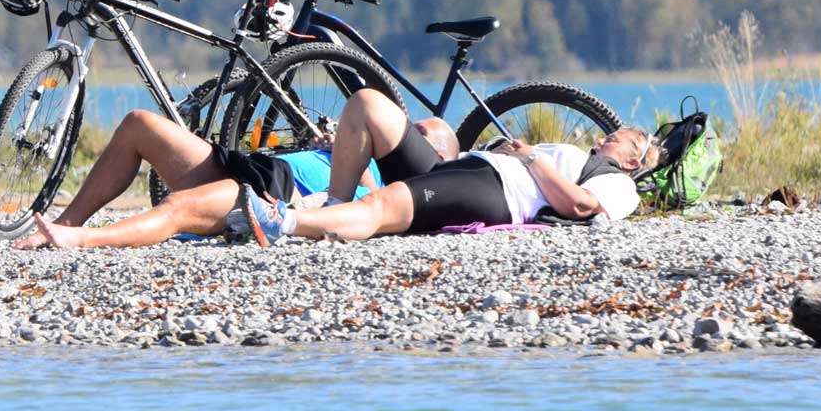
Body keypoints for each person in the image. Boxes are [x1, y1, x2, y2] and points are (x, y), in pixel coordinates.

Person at [227, 88, 652, 243]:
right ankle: (333, 206)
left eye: (618, 139)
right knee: (368, 104)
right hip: (470, 168)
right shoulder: (582, 157)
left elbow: (579, 207)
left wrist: (530, 157)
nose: (603, 138)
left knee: (386, 204)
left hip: (496, 194)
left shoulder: (620, 186)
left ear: (633, 161)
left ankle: (283, 221)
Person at [19, 105, 428, 250]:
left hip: (273, 190)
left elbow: (368, 207)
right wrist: (331, 144)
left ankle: (81, 240)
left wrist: (350, 158)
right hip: (251, 165)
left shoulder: (387, 179)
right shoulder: (348, 142)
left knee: (178, 207)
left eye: (424, 133)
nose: (414, 131)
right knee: (138, 124)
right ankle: (67, 221)